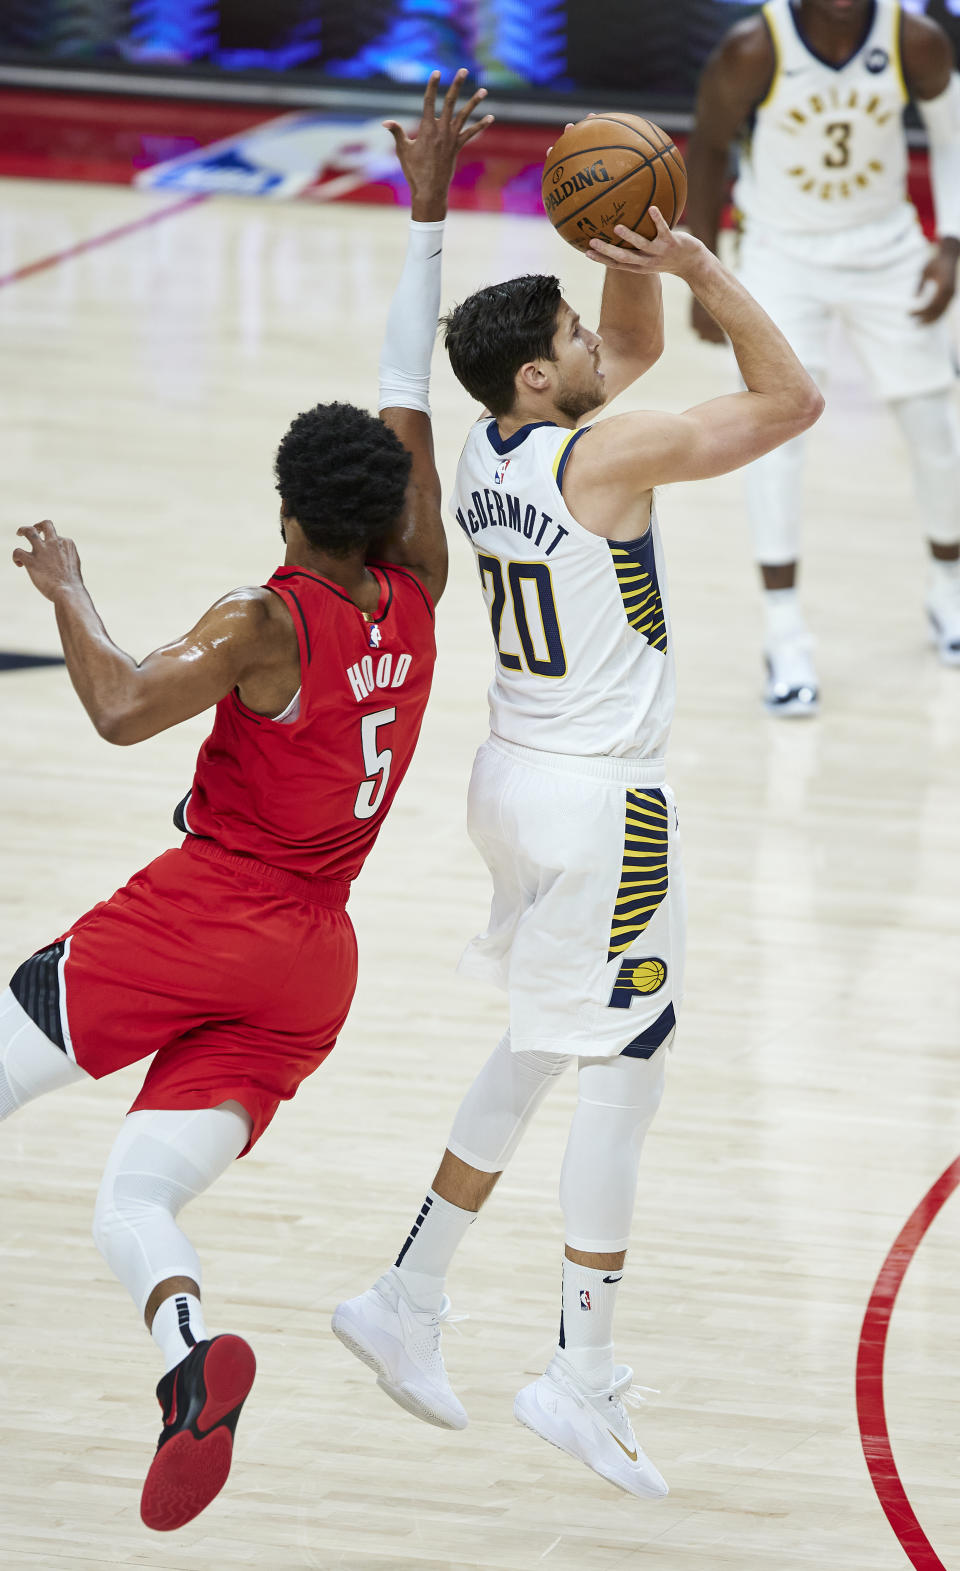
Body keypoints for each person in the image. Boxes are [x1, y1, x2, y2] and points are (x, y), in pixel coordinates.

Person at [3, 72, 491, 1533]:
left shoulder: (259, 617)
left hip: (204, 915)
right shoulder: (421, 580)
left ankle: (187, 1357)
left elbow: (112, 707)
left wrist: (68, 583)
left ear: (291, 514)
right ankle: (187, 1364)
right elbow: (410, 389)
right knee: (129, 1206)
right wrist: (425, 209)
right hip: (313, 968)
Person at [332, 190, 823, 1494]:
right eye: (575, 332)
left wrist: (634, 264)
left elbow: (630, 351)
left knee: (548, 1039)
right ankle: (578, 1376)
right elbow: (789, 403)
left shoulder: (502, 443)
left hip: (515, 775)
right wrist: (708, 265)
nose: (600, 344)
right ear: (544, 376)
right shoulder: (602, 458)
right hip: (605, 802)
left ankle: (406, 1292)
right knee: (633, 1059)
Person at [684, 0, 960, 714]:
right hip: (782, 253)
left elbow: (953, 137)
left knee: (935, 428)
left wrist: (952, 245)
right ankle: (785, 632)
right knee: (773, 442)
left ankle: (949, 593)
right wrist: (705, 276)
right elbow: (709, 147)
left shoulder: (915, 39)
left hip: (888, 248)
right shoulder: (754, 48)